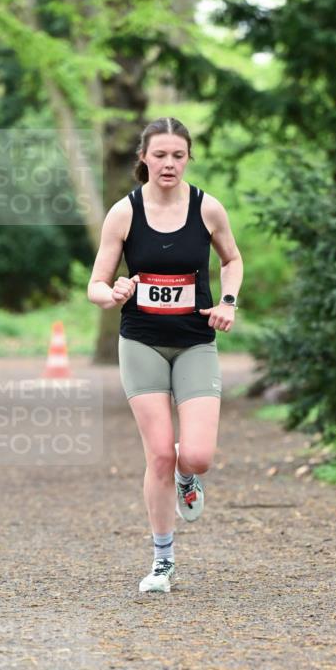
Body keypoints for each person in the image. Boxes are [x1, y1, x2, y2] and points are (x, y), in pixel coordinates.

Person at [87, 116, 243, 593]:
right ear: (143, 158)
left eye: (178, 155)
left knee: (195, 456)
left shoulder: (207, 208)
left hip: (196, 341)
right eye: (160, 155)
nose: (169, 164)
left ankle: (188, 480)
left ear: (188, 157)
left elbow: (232, 261)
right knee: (159, 455)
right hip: (141, 342)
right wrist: (112, 294)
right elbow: (95, 285)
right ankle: (162, 561)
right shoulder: (124, 213)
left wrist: (228, 303)